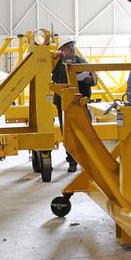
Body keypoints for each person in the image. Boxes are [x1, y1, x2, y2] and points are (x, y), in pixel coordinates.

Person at [52, 38, 95, 173]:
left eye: (72, 47)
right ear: (62, 50)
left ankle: (86, 160)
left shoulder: (81, 61)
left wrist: (88, 80)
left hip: (80, 103)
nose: (71, 49)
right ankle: (72, 161)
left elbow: (93, 80)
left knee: (86, 131)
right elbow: (57, 79)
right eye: (68, 47)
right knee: (68, 133)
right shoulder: (57, 64)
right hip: (64, 105)